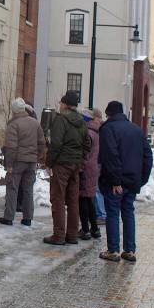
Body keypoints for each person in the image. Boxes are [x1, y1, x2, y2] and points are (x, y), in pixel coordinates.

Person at [98, 101, 153, 263]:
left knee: (113, 213)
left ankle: (113, 250)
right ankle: (129, 250)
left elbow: (111, 156)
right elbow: (147, 157)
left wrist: (115, 181)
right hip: (132, 181)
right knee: (128, 213)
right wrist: (141, 180)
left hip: (115, 181)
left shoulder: (108, 129)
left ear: (108, 114)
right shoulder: (136, 130)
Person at [44, 91, 91, 246]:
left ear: (65, 104)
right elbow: (87, 145)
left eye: (61, 103)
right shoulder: (83, 122)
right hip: (75, 165)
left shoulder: (61, 119)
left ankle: (58, 235)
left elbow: (56, 144)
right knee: (73, 200)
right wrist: (78, 157)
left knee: (57, 198)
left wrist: (49, 162)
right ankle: (72, 235)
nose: (59, 105)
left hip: (61, 164)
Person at [0, 97, 45, 227]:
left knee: (12, 188)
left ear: (14, 110)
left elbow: (11, 147)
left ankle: (9, 217)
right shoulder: (35, 123)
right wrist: (38, 157)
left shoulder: (13, 124)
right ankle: (27, 218)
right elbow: (42, 143)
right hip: (31, 161)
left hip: (18, 161)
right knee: (28, 189)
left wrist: (9, 164)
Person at [78, 108, 103, 241]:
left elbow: (85, 153)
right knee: (90, 199)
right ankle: (94, 228)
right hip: (94, 168)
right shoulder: (98, 132)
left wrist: (80, 167)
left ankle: (86, 230)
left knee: (83, 199)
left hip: (86, 168)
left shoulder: (88, 133)